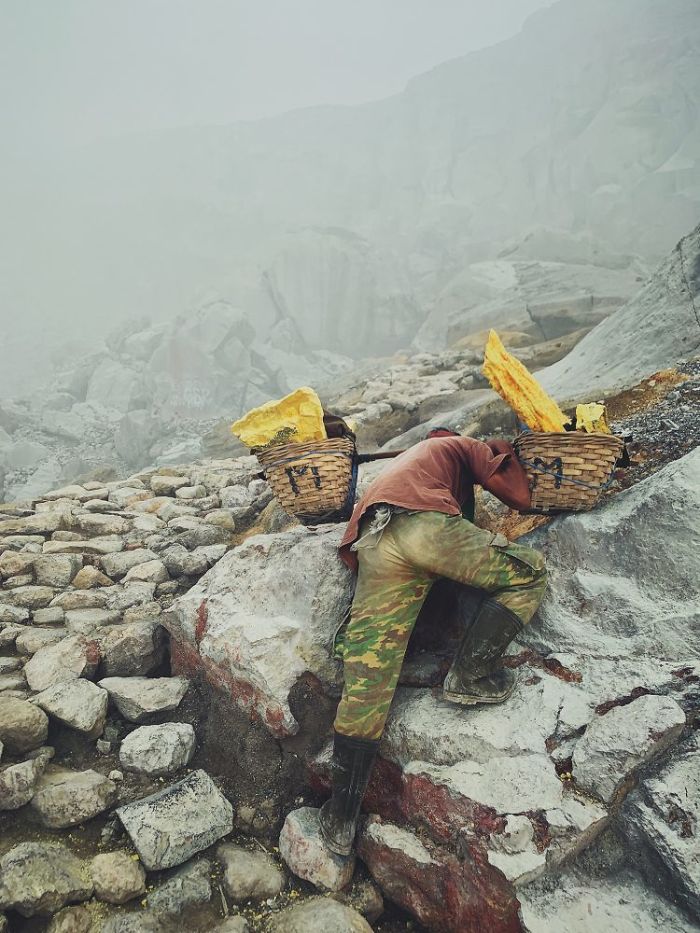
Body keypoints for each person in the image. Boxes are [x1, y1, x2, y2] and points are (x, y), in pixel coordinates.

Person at [319, 428, 547, 856]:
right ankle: (470, 675)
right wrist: (502, 452)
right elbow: (518, 494)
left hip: (376, 539)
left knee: (369, 679)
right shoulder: (458, 445)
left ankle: (340, 818)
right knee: (530, 573)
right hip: (424, 528)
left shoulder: (411, 461)